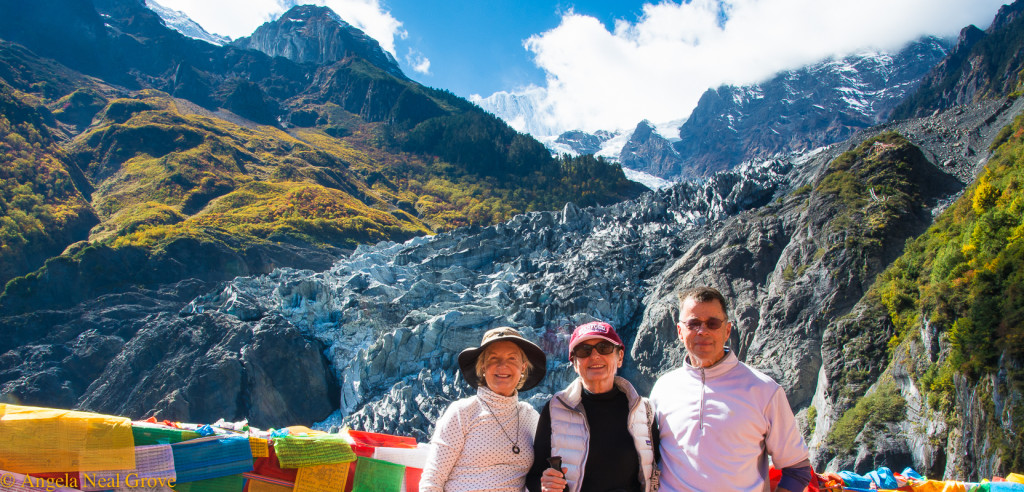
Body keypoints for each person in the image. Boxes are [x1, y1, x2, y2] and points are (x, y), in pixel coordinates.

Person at [649, 286, 812, 492]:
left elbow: (796, 469)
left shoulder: (763, 390)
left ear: (727, 330)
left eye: (713, 323)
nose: (703, 331)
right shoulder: (663, 389)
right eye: (693, 323)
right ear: (680, 332)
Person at [526, 321, 658, 492]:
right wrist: (544, 486)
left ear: (620, 357)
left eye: (604, 348)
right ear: (574, 363)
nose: (595, 356)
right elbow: (535, 476)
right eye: (584, 351)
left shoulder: (644, 410)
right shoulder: (555, 409)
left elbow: (660, 469)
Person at [420, 326, 548, 491]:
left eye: (512, 358)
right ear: (482, 366)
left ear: (523, 367)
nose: (503, 365)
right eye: (493, 358)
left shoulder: (530, 416)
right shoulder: (462, 412)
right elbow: (432, 480)